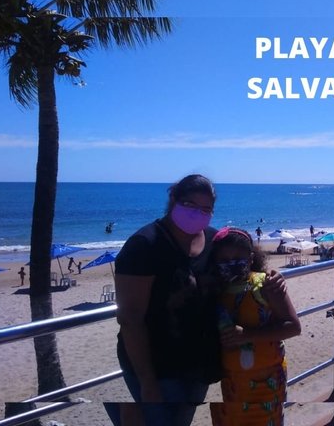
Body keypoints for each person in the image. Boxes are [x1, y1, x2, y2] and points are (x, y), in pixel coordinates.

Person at [113, 174, 286, 426]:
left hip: (200, 364)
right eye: (190, 205)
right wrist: (147, 383)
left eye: (206, 209)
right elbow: (130, 319)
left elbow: (240, 266)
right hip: (158, 368)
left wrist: (271, 276)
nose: (197, 213)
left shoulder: (213, 240)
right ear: (173, 199)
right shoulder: (144, 245)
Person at [208, 227, 300, 426]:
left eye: (238, 257)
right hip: (232, 381)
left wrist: (247, 335)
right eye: (225, 259)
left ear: (250, 259)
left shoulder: (266, 284)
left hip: (267, 379)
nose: (232, 263)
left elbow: (293, 326)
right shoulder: (215, 290)